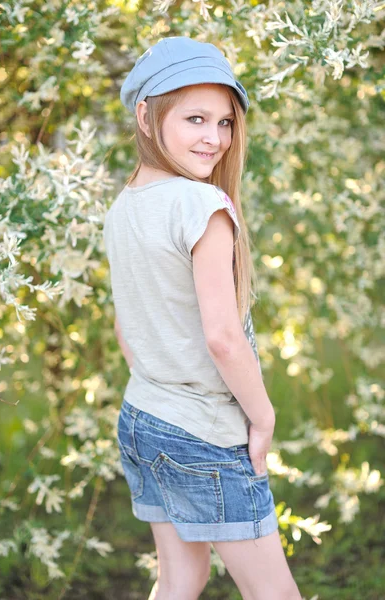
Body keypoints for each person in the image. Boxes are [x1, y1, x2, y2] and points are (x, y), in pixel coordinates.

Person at [103, 36, 302, 600]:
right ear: (146, 116)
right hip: (205, 433)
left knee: (179, 581)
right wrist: (260, 419)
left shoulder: (123, 210)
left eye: (225, 122)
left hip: (143, 417)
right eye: (195, 118)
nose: (214, 138)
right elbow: (223, 338)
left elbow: (127, 328)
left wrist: (162, 387)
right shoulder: (201, 205)